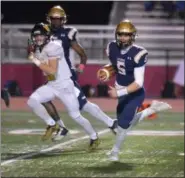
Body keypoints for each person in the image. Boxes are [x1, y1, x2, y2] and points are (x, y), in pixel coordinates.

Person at [39, 5, 118, 141]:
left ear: (63, 20)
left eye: (59, 19)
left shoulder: (67, 34)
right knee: (43, 99)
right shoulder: (44, 33)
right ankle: (61, 127)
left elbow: (83, 55)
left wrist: (80, 69)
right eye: (53, 19)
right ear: (49, 19)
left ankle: (111, 123)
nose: (56, 22)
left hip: (65, 76)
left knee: (83, 105)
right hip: (52, 76)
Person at [100, 20, 172, 161]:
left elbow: (138, 83)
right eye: (120, 34)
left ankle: (115, 152)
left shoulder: (139, 53)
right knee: (126, 123)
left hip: (134, 93)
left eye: (127, 35)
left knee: (122, 125)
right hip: (120, 89)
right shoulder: (111, 47)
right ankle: (151, 110)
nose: (123, 38)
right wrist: (107, 70)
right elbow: (118, 65)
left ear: (133, 36)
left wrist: (118, 93)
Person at [27, 23, 100, 150]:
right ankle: (52, 124)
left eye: (41, 36)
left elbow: (52, 70)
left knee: (75, 116)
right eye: (36, 36)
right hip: (52, 84)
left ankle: (94, 137)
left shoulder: (54, 47)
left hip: (65, 85)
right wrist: (34, 54)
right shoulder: (39, 49)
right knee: (33, 100)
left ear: (47, 36)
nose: (38, 39)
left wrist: (35, 60)